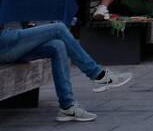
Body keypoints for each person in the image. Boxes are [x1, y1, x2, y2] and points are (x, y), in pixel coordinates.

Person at [0, 21, 131, 122]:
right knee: (59, 28)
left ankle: (67, 106)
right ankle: (98, 75)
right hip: (4, 43)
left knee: (57, 45)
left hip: (7, 40)